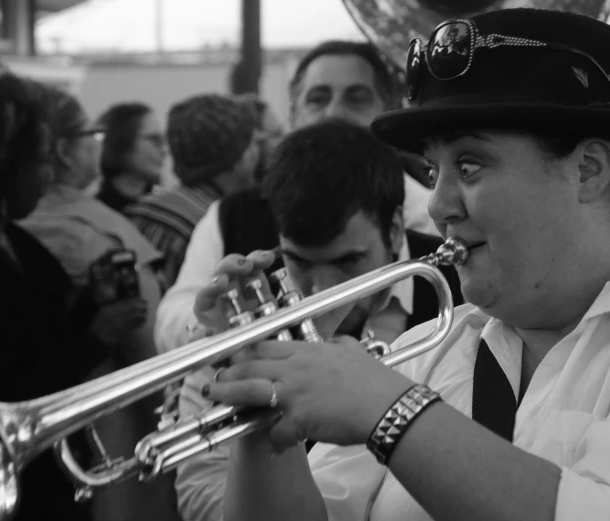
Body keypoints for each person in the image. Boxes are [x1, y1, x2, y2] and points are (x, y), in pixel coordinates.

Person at [187, 9, 610, 521]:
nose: (438, 206)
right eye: (432, 169)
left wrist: (390, 409)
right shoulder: (434, 348)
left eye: (469, 164)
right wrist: (262, 409)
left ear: (588, 168)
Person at [172, 118, 464, 521]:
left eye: (346, 261)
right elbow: (200, 492)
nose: (320, 290)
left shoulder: (460, 283)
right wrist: (247, 385)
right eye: (300, 262)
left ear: (395, 229)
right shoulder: (248, 310)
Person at [0, 68, 136, 521]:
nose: (49, 175)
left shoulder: (14, 240)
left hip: (47, 480)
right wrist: (97, 338)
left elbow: (41, 334)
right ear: (0, 167)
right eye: (41, 160)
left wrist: (89, 306)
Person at [155, 40, 438, 353]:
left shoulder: (433, 214)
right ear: (294, 112)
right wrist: (221, 325)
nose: (334, 113)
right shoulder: (230, 214)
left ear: (387, 110)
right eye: (317, 99)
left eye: (356, 99)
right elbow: (170, 319)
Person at [18, 86, 181, 521]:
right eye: (91, 134)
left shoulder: (4, 222)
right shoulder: (99, 233)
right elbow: (150, 350)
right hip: (107, 434)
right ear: (63, 152)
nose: (98, 144)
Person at [125, 94, 260, 287]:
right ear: (240, 157)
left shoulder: (141, 211)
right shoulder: (219, 227)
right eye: (253, 142)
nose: (258, 152)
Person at [96, 102, 166, 213]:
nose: (164, 150)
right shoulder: (95, 210)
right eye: (154, 139)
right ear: (122, 142)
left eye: (163, 140)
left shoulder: (164, 208)